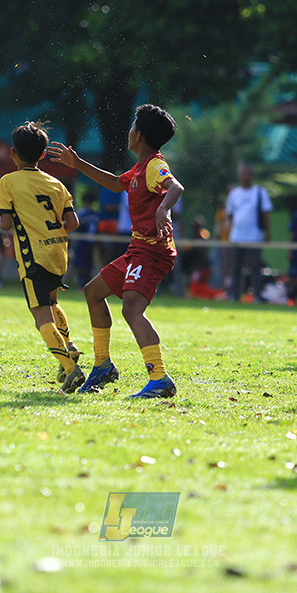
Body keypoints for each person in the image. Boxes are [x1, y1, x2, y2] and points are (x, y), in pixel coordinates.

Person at [48, 104, 184, 398]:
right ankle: (102, 365)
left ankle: (160, 378)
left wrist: (163, 208)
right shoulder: (139, 167)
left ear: (141, 134)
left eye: (133, 126)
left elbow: (175, 188)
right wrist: (78, 163)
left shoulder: (154, 166)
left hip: (152, 252)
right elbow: (113, 183)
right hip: (138, 249)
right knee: (93, 292)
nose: (129, 131)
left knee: (132, 310)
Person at [0, 122, 84, 392]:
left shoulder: (8, 181)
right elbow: (73, 222)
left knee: (41, 317)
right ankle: (69, 346)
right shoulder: (56, 183)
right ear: (43, 154)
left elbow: (6, 224)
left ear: (12, 153)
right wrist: (51, 230)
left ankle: (71, 369)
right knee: (53, 302)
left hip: (34, 256)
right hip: (58, 252)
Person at [225, 164, 272, 302]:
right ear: (239, 176)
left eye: (247, 173)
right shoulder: (234, 194)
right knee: (236, 268)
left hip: (254, 236)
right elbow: (229, 214)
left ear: (251, 175)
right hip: (237, 236)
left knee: (255, 267)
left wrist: (268, 233)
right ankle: (235, 296)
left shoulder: (260, 192)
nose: (245, 176)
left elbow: (265, 214)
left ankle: (256, 296)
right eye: (242, 173)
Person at [72, 190, 99, 287]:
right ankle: (83, 282)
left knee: (82, 263)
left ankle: (83, 283)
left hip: (82, 241)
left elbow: (75, 226)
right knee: (85, 263)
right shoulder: (95, 214)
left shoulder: (82, 214)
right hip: (90, 241)